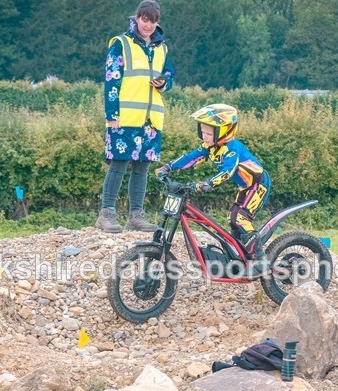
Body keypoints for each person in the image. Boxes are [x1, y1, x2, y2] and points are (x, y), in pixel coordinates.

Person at [95, 0, 174, 233]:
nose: (148, 25)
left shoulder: (162, 47)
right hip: (125, 116)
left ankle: (136, 216)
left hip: (151, 119)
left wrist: (163, 83)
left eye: (153, 21)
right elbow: (111, 80)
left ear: (157, 22)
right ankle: (106, 213)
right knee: (118, 164)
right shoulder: (121, 44)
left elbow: (169, 74)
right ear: (137, 18)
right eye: (145, 19)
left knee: (142, 167)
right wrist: (111, 115)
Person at [155, 103, 271, 262]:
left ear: (225, 130)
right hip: (245, 186)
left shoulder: (232, 148)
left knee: (241, 219)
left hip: (258, 185)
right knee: (232, 220)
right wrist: (168, 167)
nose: (204, 137)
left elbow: (227, 171)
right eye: (202, 132)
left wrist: (208, 183)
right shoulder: (210, 147)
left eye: (209, 133)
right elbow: (191, 157)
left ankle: (260, 261)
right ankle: (240, 257)